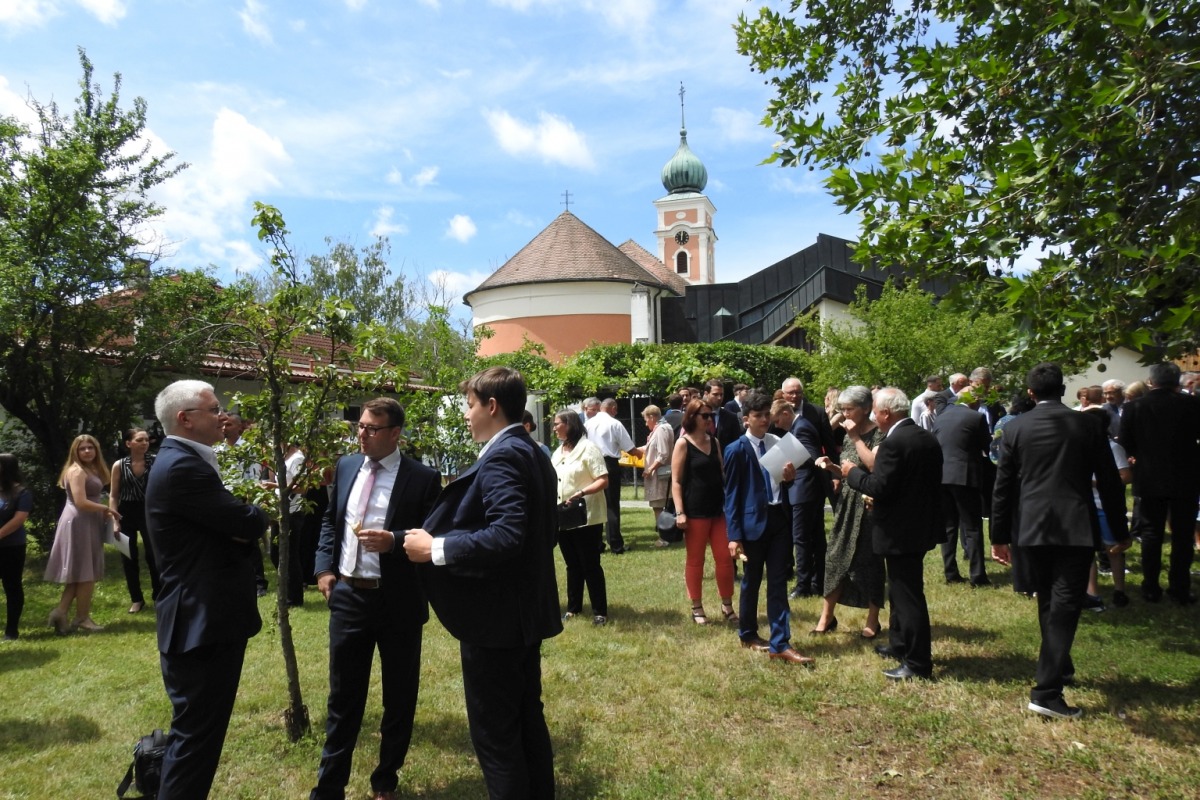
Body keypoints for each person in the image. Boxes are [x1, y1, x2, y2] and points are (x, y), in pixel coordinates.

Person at [404, 367, 562, 800]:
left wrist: (436, 548)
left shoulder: (503, 456)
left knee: (497, 737)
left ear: (492, 406)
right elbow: (541, 533)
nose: (466, 415)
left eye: (470, 405)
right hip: (522, 615)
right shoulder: (532, 451)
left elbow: (507, 534)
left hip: (496, 622)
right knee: (526, 720)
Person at [310, 398, 440, 800]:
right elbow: (330, 521)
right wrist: (324, 568)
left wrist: (394, 540)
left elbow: (433, 535)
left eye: (371, 428)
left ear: (395, 433)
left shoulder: (422, 478)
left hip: (398, 600)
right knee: (343, 697)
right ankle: (329, 787)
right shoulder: (347, 465)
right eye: (360, 427)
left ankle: (385, 779)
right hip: (349, 596)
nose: (362, 434)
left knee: (399, 697)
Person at [146, 380, 270, 799]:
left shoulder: (183, 460)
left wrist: (238, 524)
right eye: (214, 409)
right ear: (185, 419)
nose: (223, 416)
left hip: (203, 617)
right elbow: (246, 523)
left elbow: (232, 526)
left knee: (196, 736)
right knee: (196, 741)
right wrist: (252, 515)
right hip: (202, 623)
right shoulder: (183, 467)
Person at [992, 363, 1131, 719]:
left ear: (1030, 393)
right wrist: (1120, 530)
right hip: (1074, 524)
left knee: (1050, 600)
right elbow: (1110, 482)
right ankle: (1047, 691)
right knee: (1065, 604)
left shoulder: (1016, 427)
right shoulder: (1087, 425)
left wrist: (999, 536)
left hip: (1032, 525)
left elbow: (1003, 486)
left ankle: (1060, 667)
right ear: (1064, 389)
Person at [841, 388, 943, 680]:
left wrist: (852, 472)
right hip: (919, 526)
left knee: (908, 597)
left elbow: (879, 487)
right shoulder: (925, 437)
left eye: (875, 410)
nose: (873, 415)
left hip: (900, 531)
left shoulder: (894, 443)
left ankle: (917, 663)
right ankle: (900, 643)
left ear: (886, 413)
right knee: (900, 592)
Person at [724, 392, 812, 664]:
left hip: (778, 519)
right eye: (758, 416)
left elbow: (781, 482)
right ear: (746, 419)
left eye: (766, 415)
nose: (764, 420)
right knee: (751, 581)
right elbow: (731, 495)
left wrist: (789, 478)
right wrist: (734, 536)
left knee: (778, 582)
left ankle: (780, 643)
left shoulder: (777, 442)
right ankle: (748, 633)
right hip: (752, 523)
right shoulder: (736, 449)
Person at [1120, 362, 1200, 603]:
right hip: (1185, 476)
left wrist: (1139, 455)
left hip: (1149, 475)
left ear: (1151, 381)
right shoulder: (1193, 404)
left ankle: (1150, 587)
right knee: (1183, 535)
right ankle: (1179, 587)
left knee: (1151, 533)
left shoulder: (1134, 407)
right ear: (1176, 382)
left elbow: (1125, 441)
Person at [813, 386, 885, 637]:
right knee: (834, 556)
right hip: (846, 504)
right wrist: (831, 467)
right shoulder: (847, 435)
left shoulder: (879, 435)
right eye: (842, 409)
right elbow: (848, 472)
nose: (845, 414)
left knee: (870, 561)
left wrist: (855, 437)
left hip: (868, 504)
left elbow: (873, 466)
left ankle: (873, 620)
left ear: (865, 409)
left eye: (849, 409)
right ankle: (826, 618)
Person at [44, 434, 119, 634]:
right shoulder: (76, 471)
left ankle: (60, 612)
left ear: (96, 449)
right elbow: (81, 502)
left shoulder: (91, 468)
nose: (87, 451)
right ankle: (82, 618)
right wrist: (106, 509)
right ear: (75, 452)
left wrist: (101, 511)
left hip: (88, 521)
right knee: (86, 573)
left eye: (90, 448)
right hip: (79, 522)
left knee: (80, 572)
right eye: (82, 448)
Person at [671, 398, 736, 625]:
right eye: (705, 416)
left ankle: (727, 605)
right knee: (695, 560)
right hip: (694, 511)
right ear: (692, 417)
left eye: (711, 415)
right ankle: (697, 607)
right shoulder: (683, 443)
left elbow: (722, 473)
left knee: (725, 558)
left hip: (718, 510)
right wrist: (680, 512)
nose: (709, 420)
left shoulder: (714, 441)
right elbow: (676, 481)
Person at [551, 410, 610, 625]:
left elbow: (603, 479)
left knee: (590, 565)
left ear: (570, 424)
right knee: (572, 565)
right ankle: (573, 608)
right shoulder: (558, 452)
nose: (554, 428)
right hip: (564, 516)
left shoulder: (588, 448)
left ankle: (599, 611)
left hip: (586, 516)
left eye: (557, 424)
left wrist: (582, 492)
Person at [933, 392, 992, 587]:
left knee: (949, 527)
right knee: (972, 527)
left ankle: (951, 572)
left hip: (942, 476)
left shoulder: (941, 417)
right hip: (965, 476)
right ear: (973, 401)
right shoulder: (976, 417)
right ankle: (978, 576)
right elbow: (988, 447)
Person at [109, 427, 160, 614]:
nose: (144, 443)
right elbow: (113, 495)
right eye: (139, 440)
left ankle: (158, 596)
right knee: (128, 556)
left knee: (153, 555)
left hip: (149, 511)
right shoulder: (119, 465)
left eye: (146, 440)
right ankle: (136, 599)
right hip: (126, 512)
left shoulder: (156, 461)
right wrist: (114, 520)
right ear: (128, 443)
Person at [584, 397, 641, 554]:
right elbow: (630, 449)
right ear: (613, 408)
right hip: (609, 464)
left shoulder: (587, 424)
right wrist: (641, 453)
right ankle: (615, 544)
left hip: (590, 465)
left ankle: (596, 544)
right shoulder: (614, 423)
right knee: (611, 505)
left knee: (595, 504)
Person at [0, 453, 33, 642]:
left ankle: (11, 631)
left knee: (12, 586)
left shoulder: (21, 492)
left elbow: (19, 518)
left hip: (12, 547)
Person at [640, 404, 676, 548]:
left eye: (646, 420)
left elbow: (663, 454)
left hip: (659, 475)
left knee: (658, 507)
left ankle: (664, 538)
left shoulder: (661, 429)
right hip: (660, 474)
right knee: (661, 506)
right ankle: (668, 536)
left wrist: (650, 469)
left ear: (651, 417)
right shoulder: (662, 428)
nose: (645, 424)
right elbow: (652, 448)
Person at [702, 380, 743, 450]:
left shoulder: (731, 417)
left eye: (721, 394)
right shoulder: (697, 416)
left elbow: (736, 444)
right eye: (715, 394)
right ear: (706, 394)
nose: (719, 398)